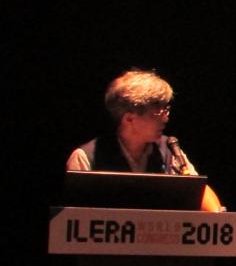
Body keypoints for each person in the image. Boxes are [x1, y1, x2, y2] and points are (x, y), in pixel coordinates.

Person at [67, 69, 222, 210]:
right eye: (158, 112)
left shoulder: (169, 150)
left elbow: (203, 198)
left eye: (166, 110)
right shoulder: (86, 157)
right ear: (129, 119)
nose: (166, 119)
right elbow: (73, 219)